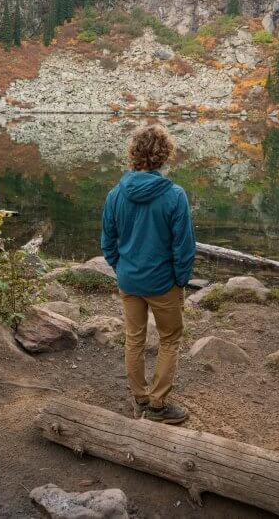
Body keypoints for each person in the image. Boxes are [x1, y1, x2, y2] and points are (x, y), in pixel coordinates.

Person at [101, 124, 195, 425]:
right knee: (169, 339)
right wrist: (180, 280)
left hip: (130, 281)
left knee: (134, 339)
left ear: (133, 154)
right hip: (163, 283)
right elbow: (184, 247)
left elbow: (107, 241)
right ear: (164, 155)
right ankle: (157, 406)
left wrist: (121, 268)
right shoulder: (175, 195)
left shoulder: (116, 194)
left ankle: (139, 400)